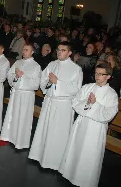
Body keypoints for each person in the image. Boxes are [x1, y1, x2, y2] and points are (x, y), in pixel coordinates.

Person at [59, 63, 119, 187]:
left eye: (101, 74)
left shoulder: (111, 94)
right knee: (76, 148)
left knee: (89, 154)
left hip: (96, 129)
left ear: (108, 76)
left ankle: (85, 181)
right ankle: (69, 173)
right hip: (81, 123)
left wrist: (94, 104)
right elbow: (75, 102)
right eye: (96, 73)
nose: (97, 76)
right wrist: (87, 103)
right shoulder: (87, 87)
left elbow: (108, 114)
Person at [28, 41, 83, 170]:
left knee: (57, 133)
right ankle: (40, 155)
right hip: (49, 102)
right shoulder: (52, 64)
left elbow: (75, 89)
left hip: (63, 105)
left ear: (69, 53)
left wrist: (57, 82)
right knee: (45, 129)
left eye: (63, 50)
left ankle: (54, 161)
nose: (59, 52)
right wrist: (48, 82)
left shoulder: (76, 69)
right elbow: (43, 80)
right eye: (58, 49)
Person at [0, 44, 42, 149]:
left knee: (23, 117)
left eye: (26, 50)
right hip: (16, 94)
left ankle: (20, 141)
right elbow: (9, 76)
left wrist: (22, 77)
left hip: (26, 95)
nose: (23, 51)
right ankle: (10, 135)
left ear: (32, 52)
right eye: (23, 49)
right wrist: (15, 77)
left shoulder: (36, 66)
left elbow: (36, 84)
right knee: (13, 115)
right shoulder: (18, 62)